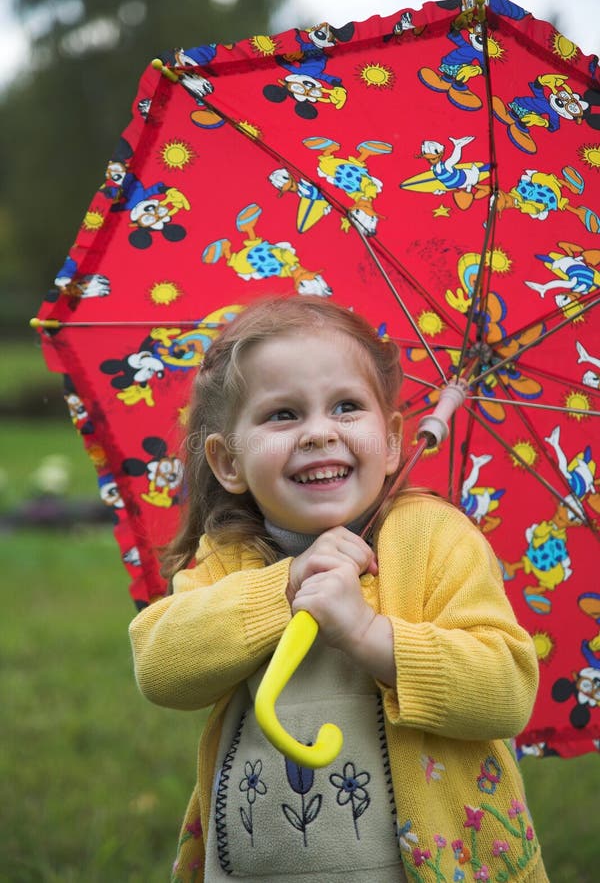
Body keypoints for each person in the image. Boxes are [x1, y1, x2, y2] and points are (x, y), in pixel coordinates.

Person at [129, 296, 548, 883]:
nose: (319, 432)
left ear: (394, 439)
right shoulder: (230, 558)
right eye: (283, 415)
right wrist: (283, 587)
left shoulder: (433, 539)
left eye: (346, 407)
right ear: (229, 462)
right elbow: (161, 667)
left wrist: (368, 635)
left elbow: (505, 690)